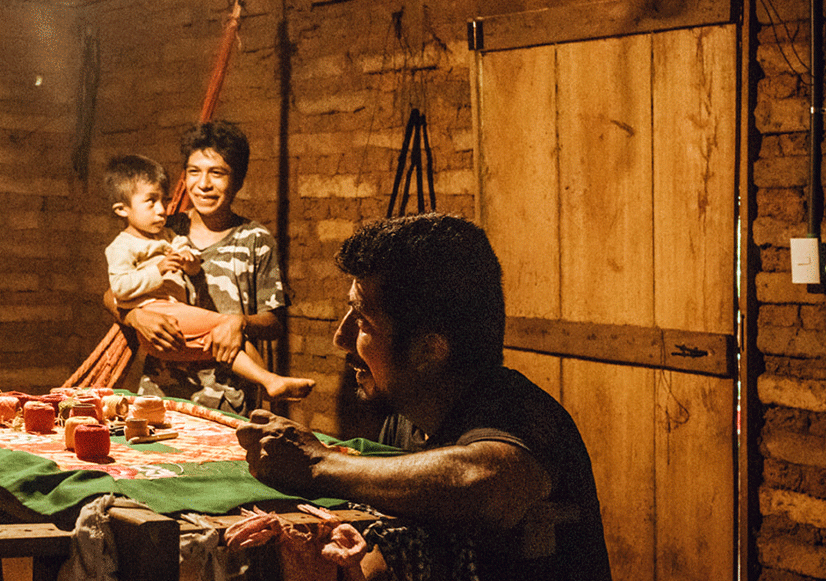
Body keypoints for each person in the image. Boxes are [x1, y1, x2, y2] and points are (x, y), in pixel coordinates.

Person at [235, 214, 612, 581]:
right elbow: (387, 559)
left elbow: (484, 483)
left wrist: (318, 465)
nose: (341, 338)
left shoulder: (522, 413)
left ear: (430, 349)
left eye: (363, 321)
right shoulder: (406, 419)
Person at [112, 121, 307, 414]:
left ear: (238, 180)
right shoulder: (165, 228)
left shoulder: (255, 240)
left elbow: (275, 322)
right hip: (160, 397)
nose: (203, 184)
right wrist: (136, 317)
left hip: (227, 400)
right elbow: (113, 293)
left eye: (217, 173)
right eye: (194, 171)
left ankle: (268, 382)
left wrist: (239, 322)